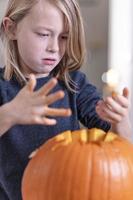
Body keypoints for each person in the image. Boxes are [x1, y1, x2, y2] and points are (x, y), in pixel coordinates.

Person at [0, 0, 131, 199]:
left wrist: (120, 122)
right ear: (11, 29)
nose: (54, 47)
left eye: (64, 37)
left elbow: (122, 154)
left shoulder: (73, 83)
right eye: (44, 34)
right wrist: (8, 115)